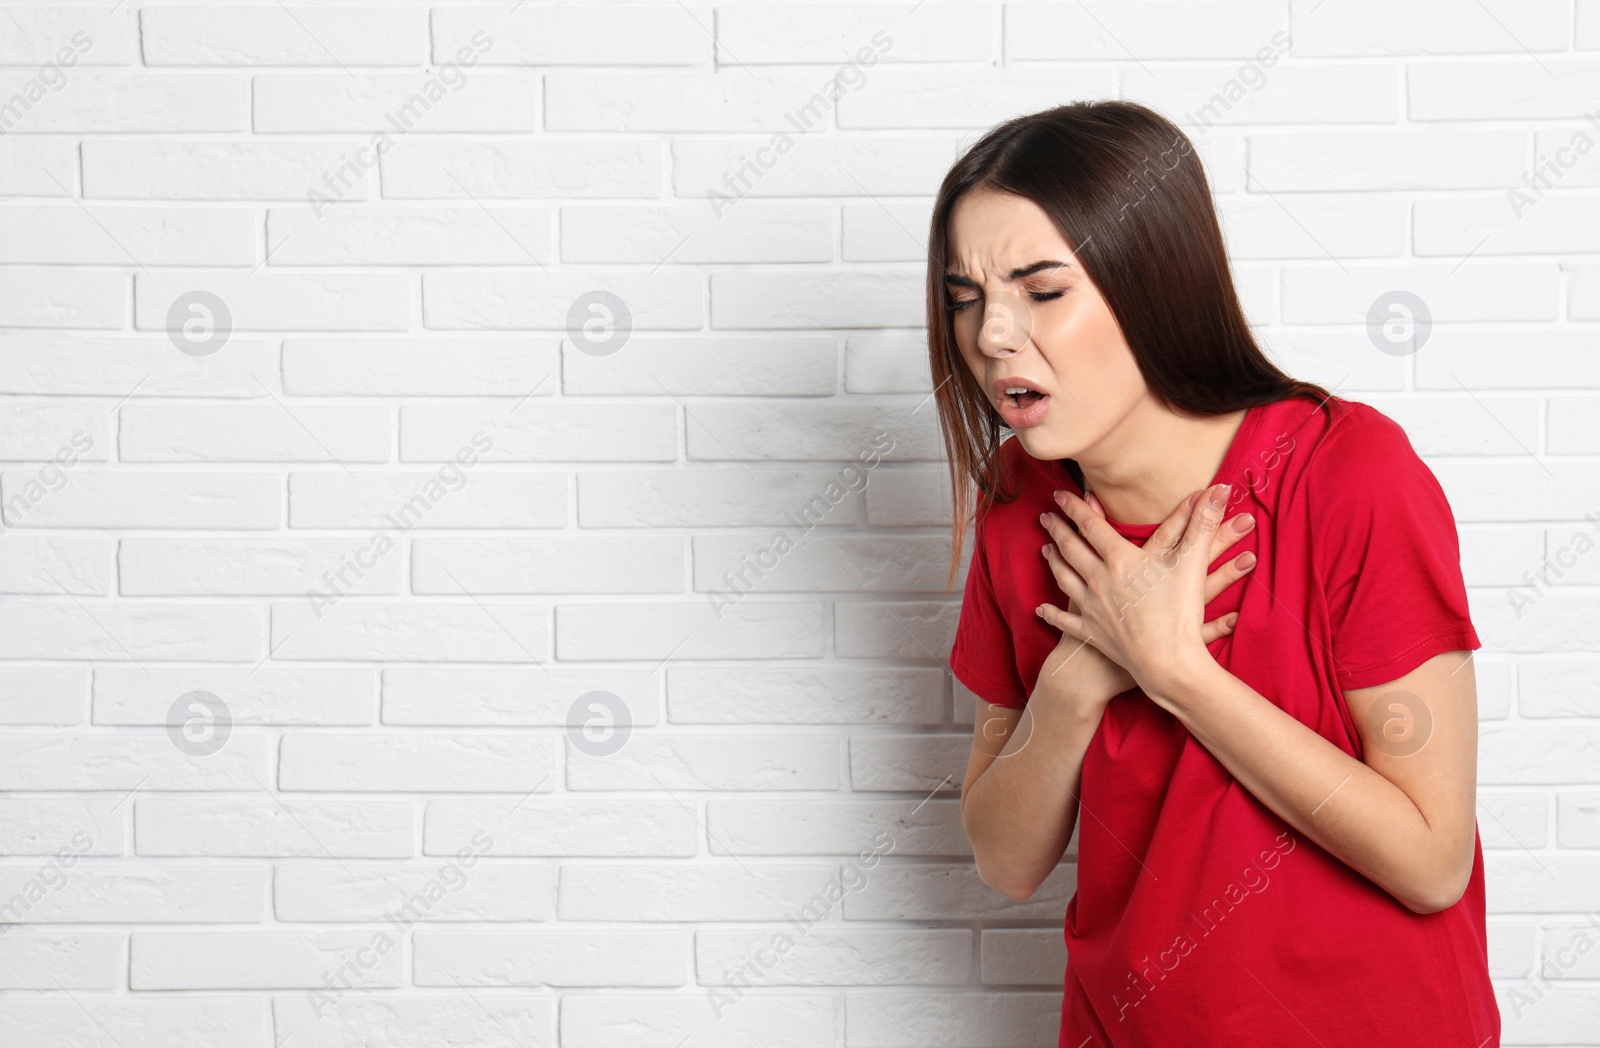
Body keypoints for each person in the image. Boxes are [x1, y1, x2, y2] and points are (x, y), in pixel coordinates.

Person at [934, 100, 1500, 1047]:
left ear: (1154, 280)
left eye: (1042, 290)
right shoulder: (1018, 507)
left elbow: (1432, 860)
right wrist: (1076, 682)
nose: (992, 335)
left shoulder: (1348, 475)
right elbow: (1006, 858)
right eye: (964, 296)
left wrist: (1175, 671)